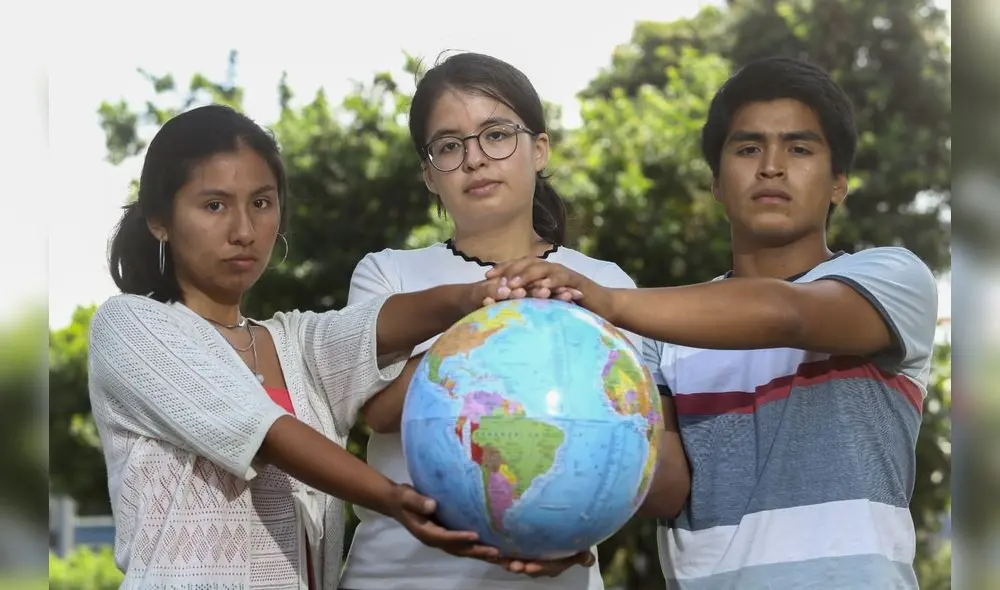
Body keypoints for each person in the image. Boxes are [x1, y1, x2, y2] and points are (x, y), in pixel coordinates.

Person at [486, 56, 939, 589]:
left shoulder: (891, 276)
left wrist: (605, 300)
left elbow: (788, 314)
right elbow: (667, 487)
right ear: (717, 183)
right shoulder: (662, 335)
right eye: (748, 148)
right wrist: (565, 518)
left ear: (838, 182)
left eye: (799, 148)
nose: (771, 166)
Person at [88, 104, 529, 589]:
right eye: (214, 205)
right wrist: (392, 498)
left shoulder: (292, 343)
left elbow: (372, 326)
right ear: (160, 220)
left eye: (261, 203)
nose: (244, 230)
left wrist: (476, 295)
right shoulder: (131, 324)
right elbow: (265, 431)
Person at [337, 52, 691, 590]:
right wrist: (490, 314)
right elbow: (379, 411)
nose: (475, 159)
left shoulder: (604, 284)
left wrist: (576, 541)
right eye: (449, 146)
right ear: (430, 175)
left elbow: (655, 464)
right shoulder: (388, 274)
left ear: (540, 149)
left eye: (496, 135)